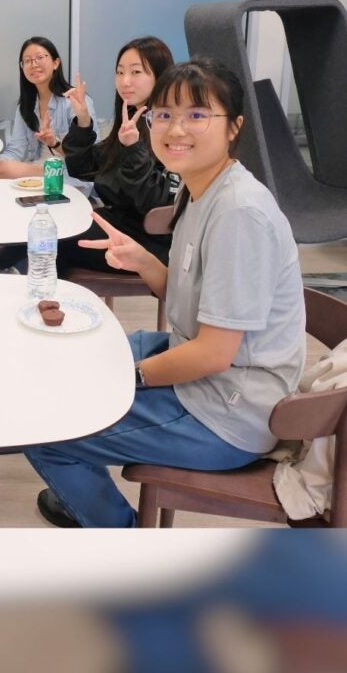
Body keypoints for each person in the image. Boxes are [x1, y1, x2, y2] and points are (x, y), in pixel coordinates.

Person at [25, 57, 306, 527]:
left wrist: (127, 380)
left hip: (227, 412)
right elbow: (194, 301)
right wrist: (146, 262)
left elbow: (214, 354)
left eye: (198, 115)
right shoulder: (201, 189)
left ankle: (121, 535)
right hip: (206, 373)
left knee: (47, 430)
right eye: (166, 114)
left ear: (234, 127)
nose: (177, 129)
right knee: (87, 352)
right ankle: (84, 488)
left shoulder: (240, 213)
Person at [0, 36, 96, 274]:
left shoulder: (74, 101)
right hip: (36, 169)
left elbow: (86, 158)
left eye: (40, 58)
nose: (34, 64)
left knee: (4, 172)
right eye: (27, 61)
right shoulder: (26, 104)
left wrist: (54, 142)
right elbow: (16, 148)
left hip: (69, 174)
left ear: (56, 62)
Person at [54, 35, 179, 274]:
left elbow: (156, 203)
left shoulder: (172, 129)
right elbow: (83, 167)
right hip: (121, 224)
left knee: (54, 236)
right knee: (54, 221)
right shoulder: (132, 120)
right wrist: (82, 119)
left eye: (136, 72)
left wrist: (133, 148)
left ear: (161, 77)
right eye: (120, 72)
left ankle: (0, 267)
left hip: (149, 242)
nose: (125, 81)